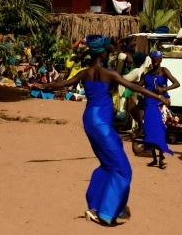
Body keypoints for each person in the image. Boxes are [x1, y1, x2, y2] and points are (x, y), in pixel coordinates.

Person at [33, 34, 169, 225]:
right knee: (123, 170)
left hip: (90, 120)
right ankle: (105, 213)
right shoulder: (109, 74)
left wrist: (43, 85)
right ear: (102, 54)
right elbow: (134, 88)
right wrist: (160, 98)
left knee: (108, 163)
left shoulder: (84, 73)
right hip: (101, 123)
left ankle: (103, 206)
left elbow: (61, 84)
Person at [139, 50, 180, 169]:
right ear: (151, 59)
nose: (156, 61)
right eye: (154, 59)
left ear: (161, 60)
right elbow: (138, 87)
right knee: (149, 130)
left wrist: (163, 89)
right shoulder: (146, 75)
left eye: (158, 59)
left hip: (160, 103)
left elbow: (177, 83)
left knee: (160, 129)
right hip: (148, 104)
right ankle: (154, 158)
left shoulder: (164, 71)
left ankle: (161, 158)